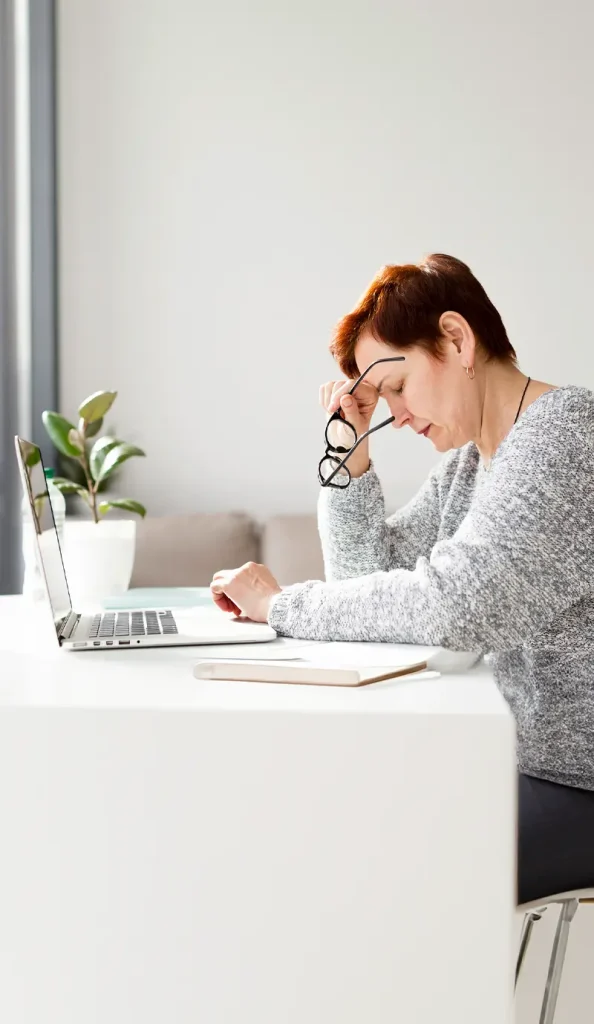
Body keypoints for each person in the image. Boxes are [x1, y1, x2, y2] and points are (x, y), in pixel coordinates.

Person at [210, 253, 594, 904]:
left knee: (373, 873)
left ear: (456, 338)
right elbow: (372, 581)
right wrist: (349, 449)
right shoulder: (472, 464)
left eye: (395, 386)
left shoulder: (565, 434)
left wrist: (282, 606)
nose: (397, 414)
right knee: (326, 821)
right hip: (515, 762)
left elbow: (455, 605)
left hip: (575, 784)